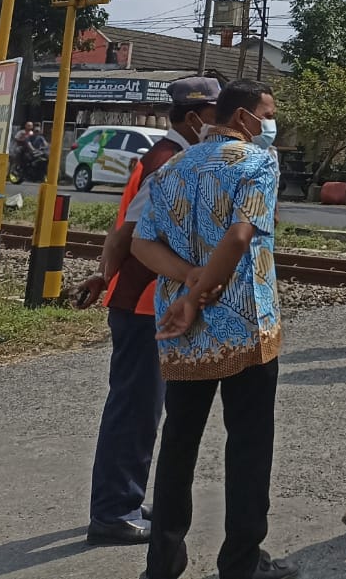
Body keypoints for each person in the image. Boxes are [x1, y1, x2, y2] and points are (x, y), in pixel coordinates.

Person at [130, 79, 295, 579]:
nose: (270, 124)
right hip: (245, 325)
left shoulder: (171, 169)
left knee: (178, 442)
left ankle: (163, 561)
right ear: (244, 118)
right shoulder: (257, 163)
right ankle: (241, 563)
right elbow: (242, 233)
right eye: (267, 114)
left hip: (182, 328)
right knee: (248, 445)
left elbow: (142, 244)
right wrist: (203, 290)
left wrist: (188, 283)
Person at [77, 77, 219, 547]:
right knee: (135, 410)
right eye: (217, 115)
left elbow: (121, 231)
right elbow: (127, 232)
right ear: (196, 118)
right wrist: (107, 277)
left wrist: (103, 276)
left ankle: (126, 499)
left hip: (141, 300)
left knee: (143, 408)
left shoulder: (166, 155)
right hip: (143, 304)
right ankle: (113, 511)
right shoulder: (169, 161)